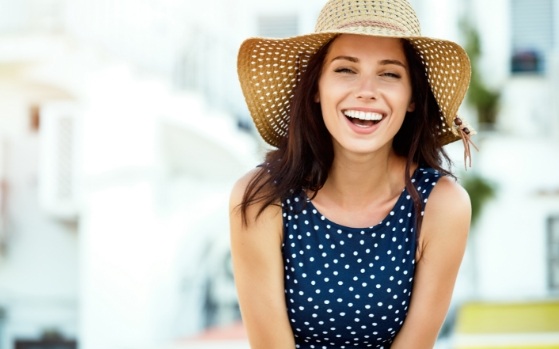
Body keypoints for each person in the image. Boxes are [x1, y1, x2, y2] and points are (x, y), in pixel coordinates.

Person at [229, 0, 476, 348]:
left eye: (389, 73)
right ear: (316, 87)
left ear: (412, 98)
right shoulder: (261, 197)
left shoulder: (442, 205)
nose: (366, 91)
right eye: (345, 69)